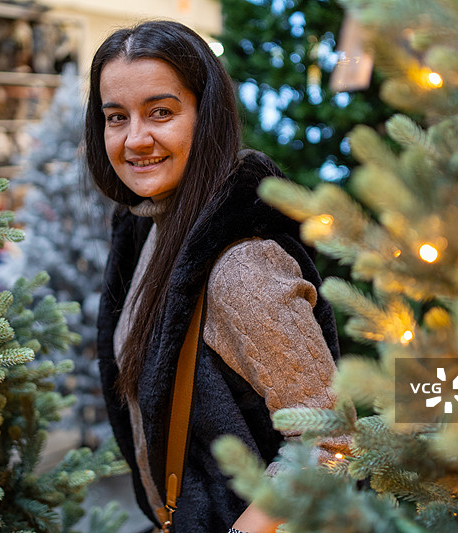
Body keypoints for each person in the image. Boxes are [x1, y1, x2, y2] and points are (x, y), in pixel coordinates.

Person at [85, 20, 352, 533]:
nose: (135, 139)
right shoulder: (151, 227)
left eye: (161, 112)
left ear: (205, 116)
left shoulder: (240, 267)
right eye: (116, 117)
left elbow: (330, 442)